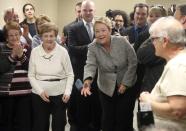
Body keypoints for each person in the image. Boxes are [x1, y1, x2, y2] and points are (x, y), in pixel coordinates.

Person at [81, 17, 137, 131]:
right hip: (106, 87)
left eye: (103, 30)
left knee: (123, 118)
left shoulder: (122, 41)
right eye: (97, 31)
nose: (100, 34)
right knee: (107, 119)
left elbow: (133, 62)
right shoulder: (92, 47)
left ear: (110, 30)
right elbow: (90, 65)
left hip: (127, 83)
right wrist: (87, 82)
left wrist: (125, 84)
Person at [139, 16, 186, 130]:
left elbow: (177, 110)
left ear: (165, 41)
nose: (152, 43)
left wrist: (148, 101)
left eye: (153, 39)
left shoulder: (177, 66)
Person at [28, 22, 74, 131]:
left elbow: (70, 74)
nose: (49, 39)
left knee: (59, 126)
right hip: (39, 95)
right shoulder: (35, 51)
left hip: (60, 95)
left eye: (51, 36)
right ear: (40, 37)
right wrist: (40, 91)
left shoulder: (63, 51)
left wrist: (67, 91)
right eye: (46, 36)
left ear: (55, 36)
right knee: (40, 125)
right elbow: (31, 75)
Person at [68, 0, 102, 131]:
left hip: (99, 72)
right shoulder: (73, 28)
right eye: (85, 10)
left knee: (97, 103)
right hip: (81, 73)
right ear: (80, 11)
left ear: (94, 10)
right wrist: (92, 45)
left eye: (90, 10)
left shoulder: (100, 26)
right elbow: (72, 49)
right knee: (82, 102)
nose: (88, 13)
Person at [0, 21, 32, 131]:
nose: (14, 37)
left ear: (20, 34)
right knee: (6, 125)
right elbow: (1, 69)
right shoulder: (1, 48)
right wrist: (13, 55)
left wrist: (21, 55)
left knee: (24, 125)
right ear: (6, 37)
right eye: (11, 35)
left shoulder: (28, 48)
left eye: (17, 34)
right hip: (6, 94)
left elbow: (31, 69)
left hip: (25, 93)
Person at [137, 6, 167, 92]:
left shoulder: (167, 35)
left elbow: (142, 55)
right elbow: (138, 57)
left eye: (157, 16)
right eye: (150, 16)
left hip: (160, 82)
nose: (153, 18)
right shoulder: (143, 35)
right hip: (146, 81)